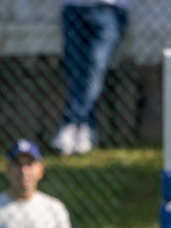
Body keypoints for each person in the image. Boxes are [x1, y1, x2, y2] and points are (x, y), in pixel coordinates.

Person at [51, 0, 130, 156]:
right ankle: (85, 129)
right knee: (75, 72)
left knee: (94, 70)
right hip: (74, 8)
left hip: (110, 11)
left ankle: (72, 123)